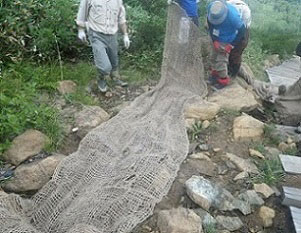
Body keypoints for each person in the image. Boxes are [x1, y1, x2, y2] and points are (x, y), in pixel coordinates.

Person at [76, 0, 130, 93]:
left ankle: (115, 78)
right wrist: (81, 30)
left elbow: (122, 19)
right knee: (105, 66)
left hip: (112, 34)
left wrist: (125, 35)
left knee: (114, 61)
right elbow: (82, 13)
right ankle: (101, 78)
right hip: (96, 34)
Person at [207, 0, 250, 89]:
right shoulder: (212, 7)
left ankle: (223, 80)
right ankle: (215, 75)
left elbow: (242, 32)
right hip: (218, 35)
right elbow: (210, 23)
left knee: (221, 60)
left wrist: (230, 45)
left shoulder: (234, 17)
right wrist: (214, 40)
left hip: (228, 37)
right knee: (213, 57)